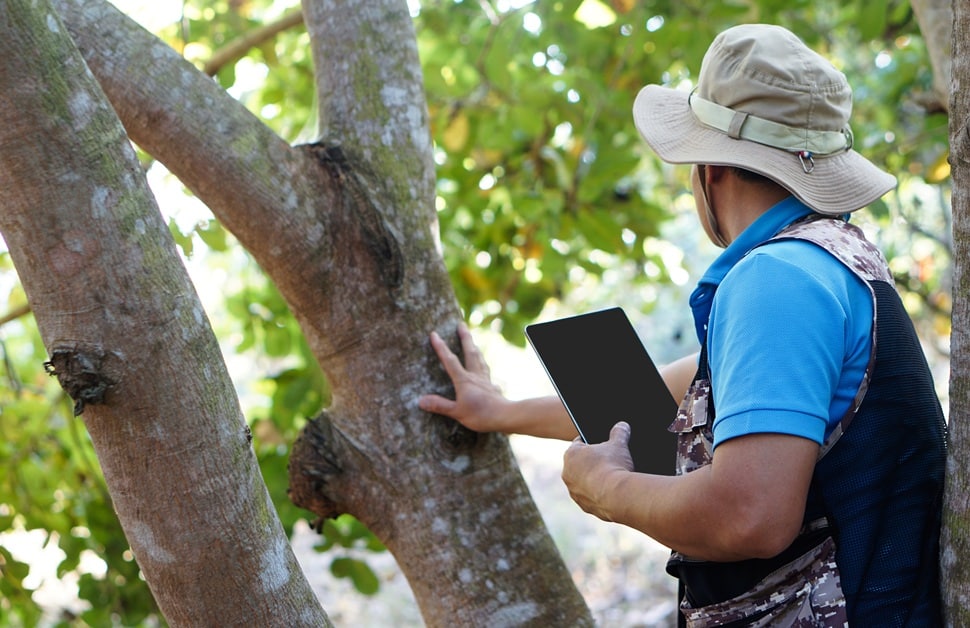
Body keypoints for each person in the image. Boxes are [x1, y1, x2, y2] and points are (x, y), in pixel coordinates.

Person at [419, 23, 946, 626]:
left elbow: (752, 514)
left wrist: (608, 492)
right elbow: (652, 395)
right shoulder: (835, 260)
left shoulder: (777, 279)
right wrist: (498, 411)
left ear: (711, 169)